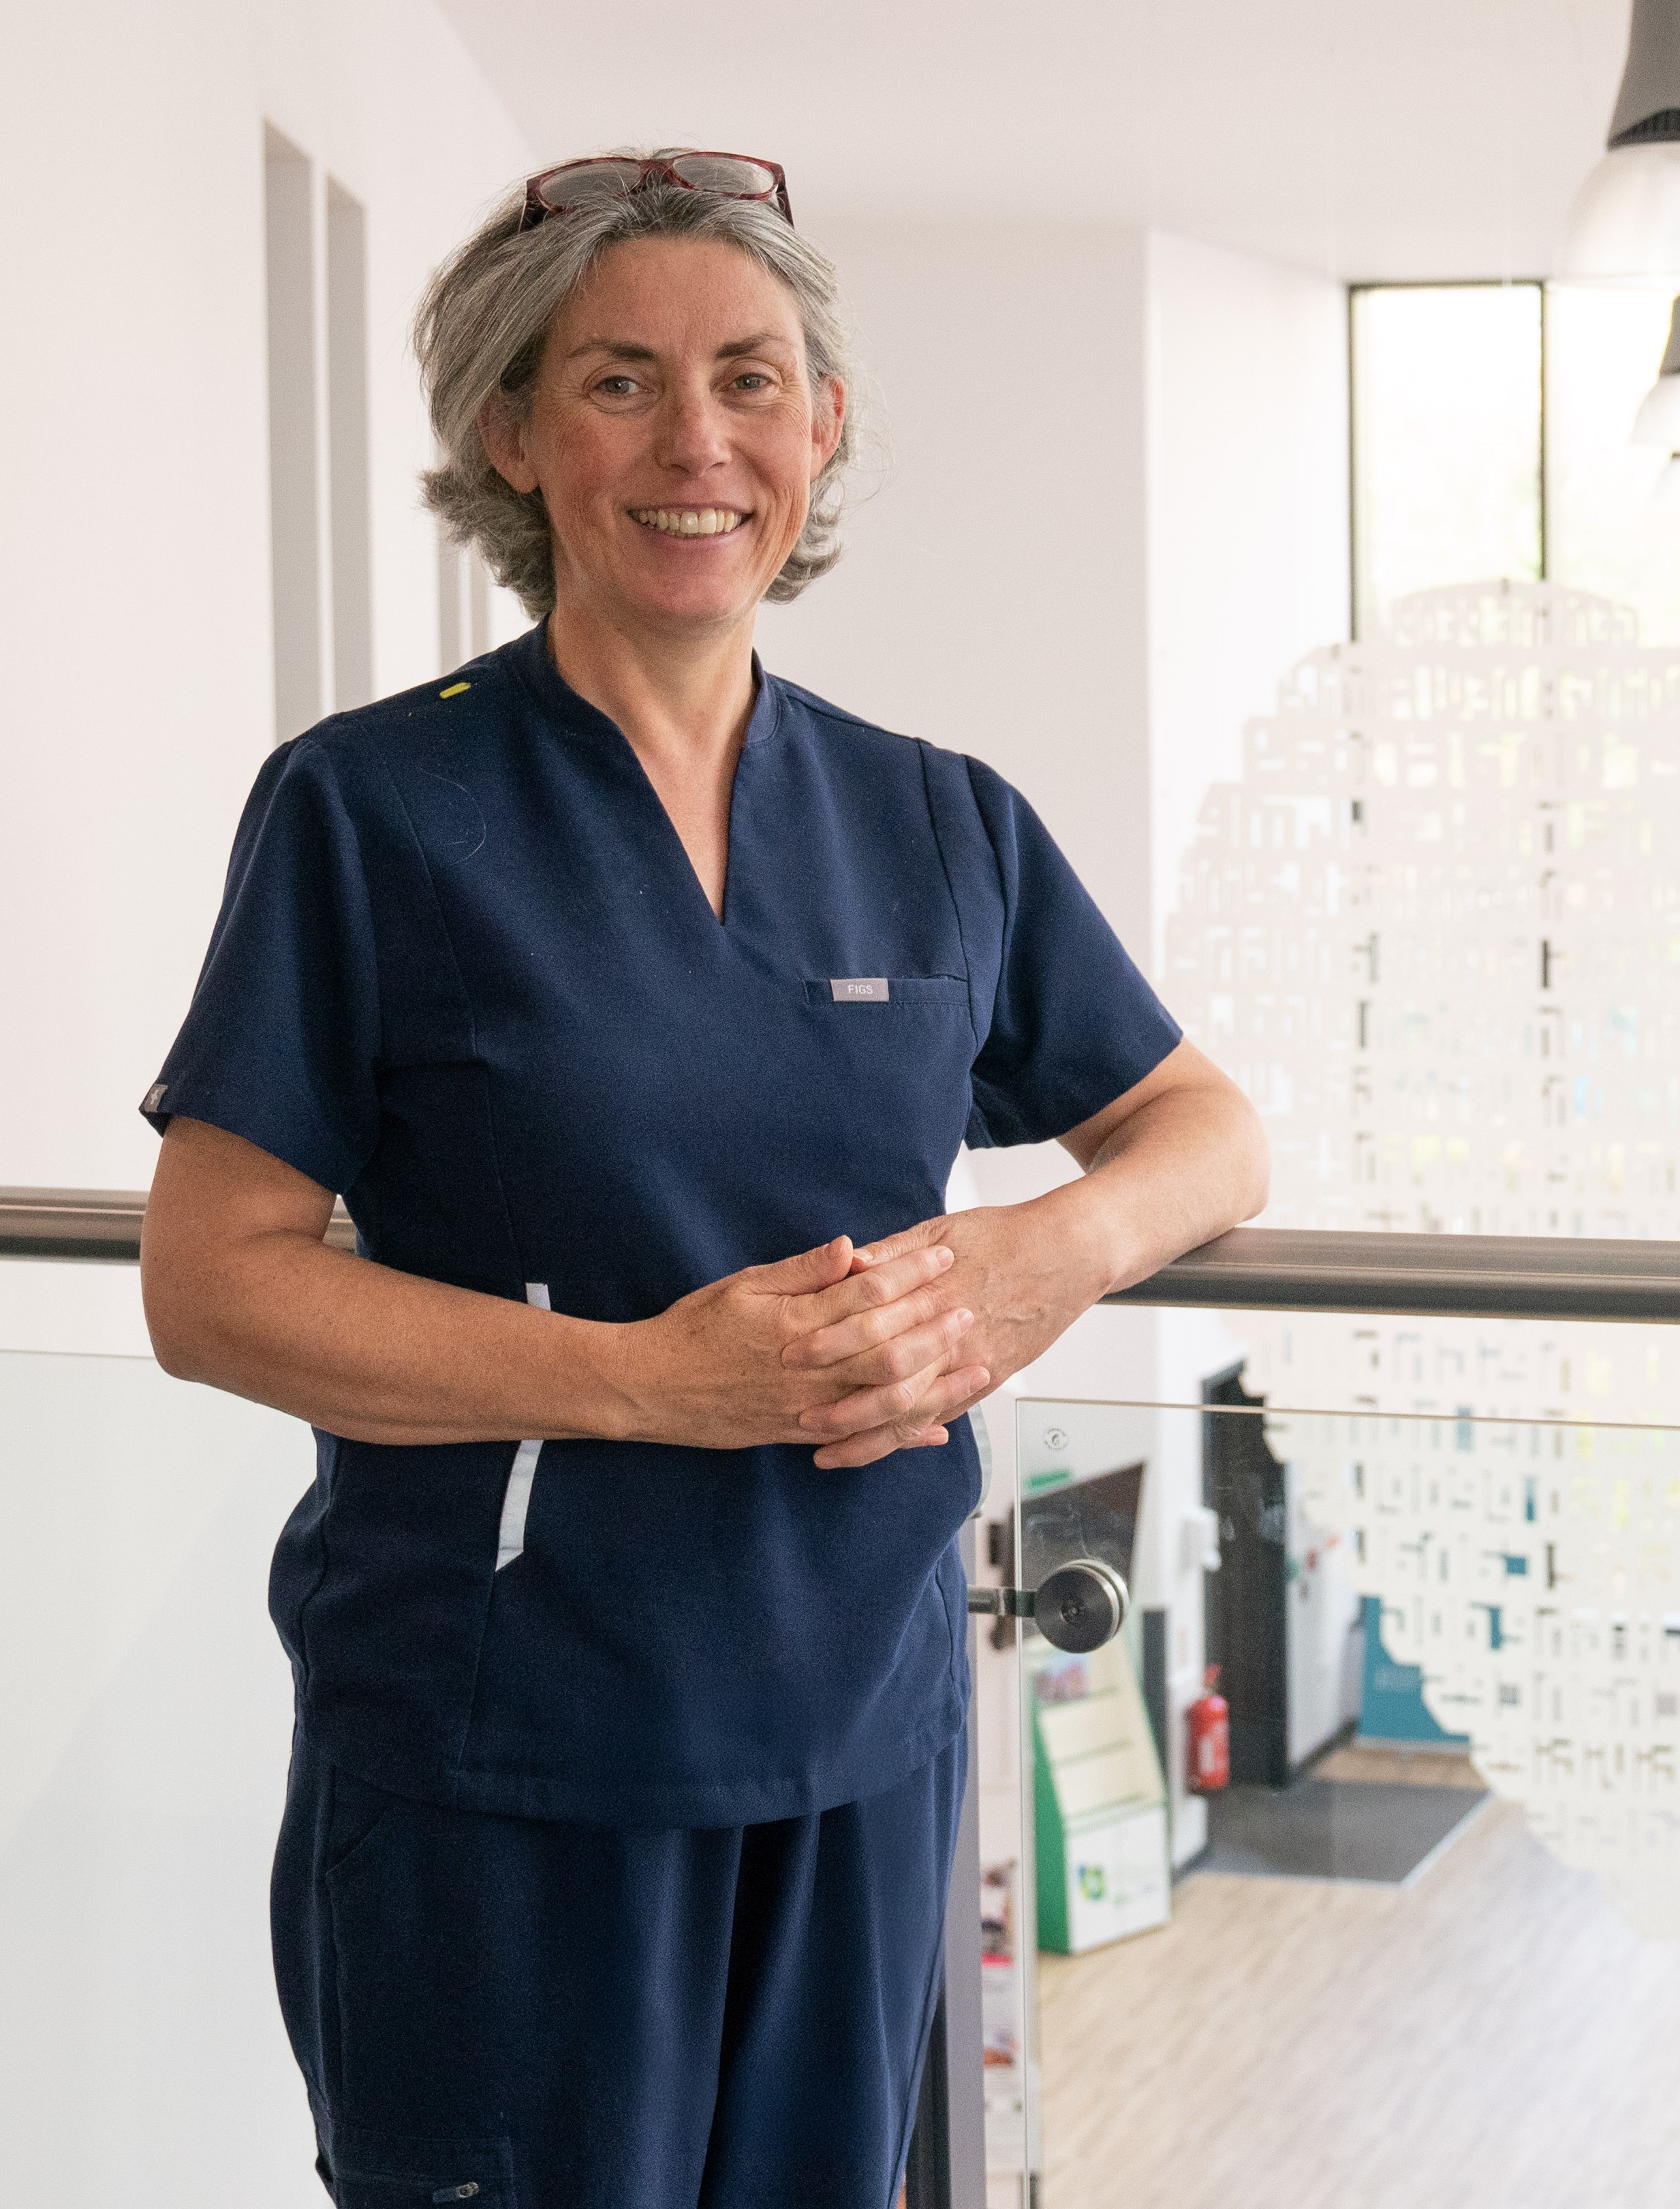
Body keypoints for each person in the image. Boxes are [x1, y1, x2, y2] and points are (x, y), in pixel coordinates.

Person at [136, 148, 1265, 2208]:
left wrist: (1045, 1255)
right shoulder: (374, 810)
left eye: (750, 379)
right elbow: (213, 1283)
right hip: (504, 1757)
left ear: (820, 426)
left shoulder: (937, 819)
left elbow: (1206, 1129)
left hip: (862, 1736)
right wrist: (649, 1383)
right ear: (512, 433)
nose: (697, 442)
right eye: (618, 381)